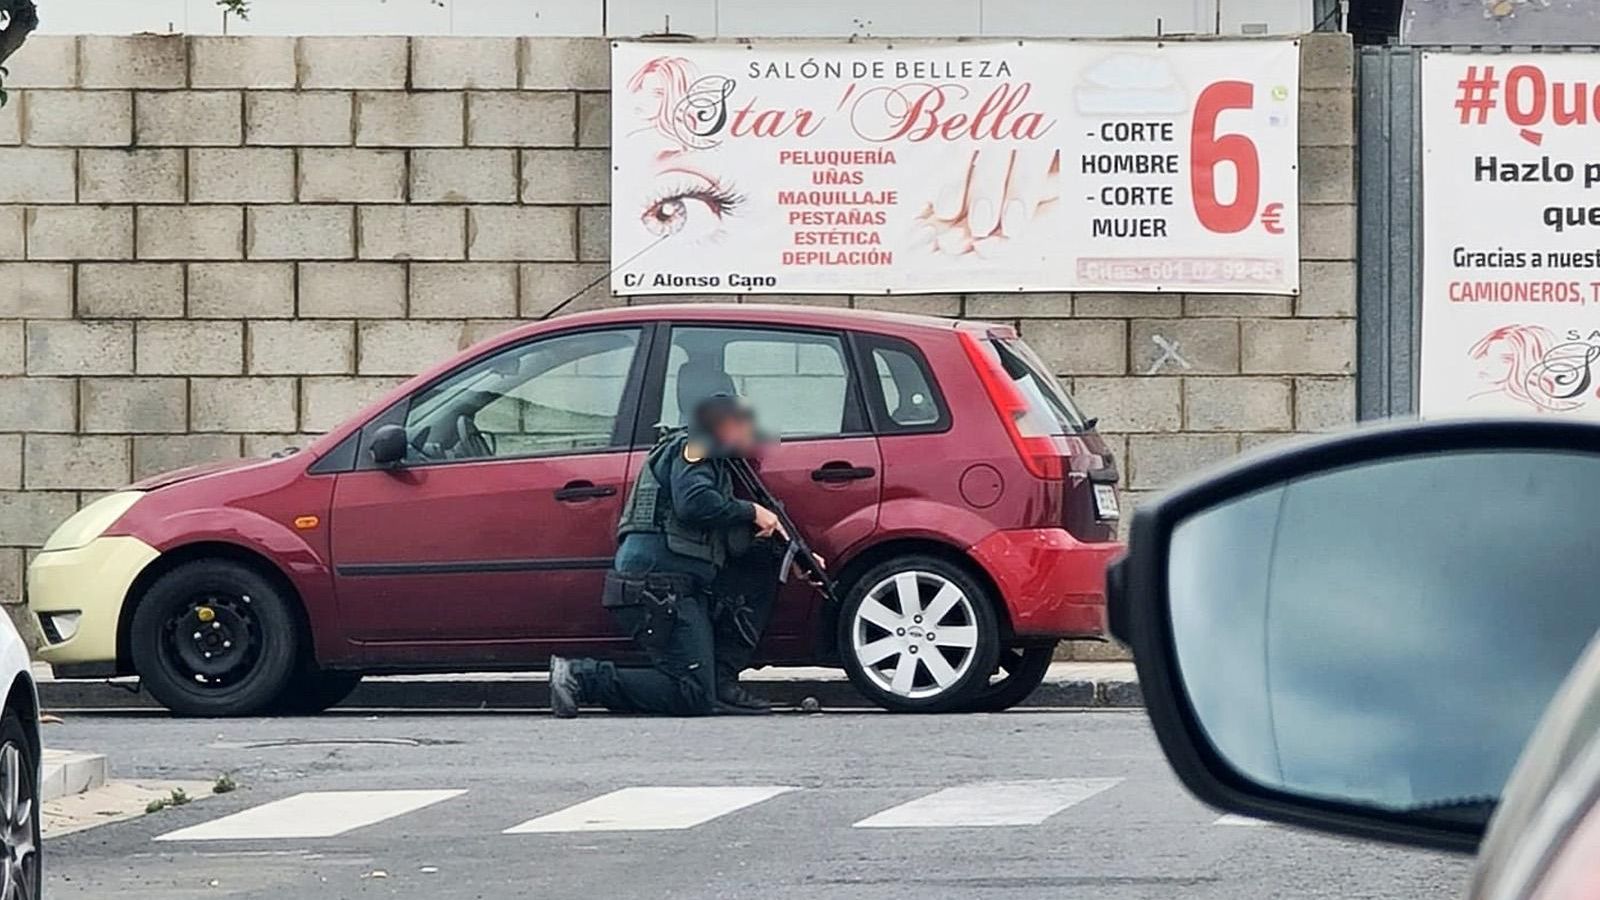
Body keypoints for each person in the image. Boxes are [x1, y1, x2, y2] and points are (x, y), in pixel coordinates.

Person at [548, 393, 790, 717]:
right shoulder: (696, 445)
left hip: (673, 586)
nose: (755, 432)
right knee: (692, 694)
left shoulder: (712, 457)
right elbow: (693, 502)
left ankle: (720, 682)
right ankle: (581, 676)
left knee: (703, 683)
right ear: (727, 424)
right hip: (657, 588)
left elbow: (727, 540)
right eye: (748, 423)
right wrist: (751, 511)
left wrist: (787, 551)